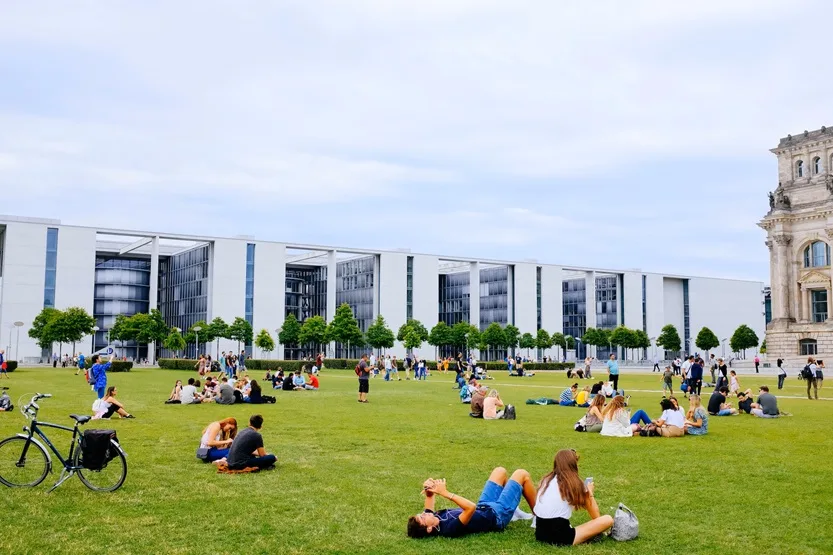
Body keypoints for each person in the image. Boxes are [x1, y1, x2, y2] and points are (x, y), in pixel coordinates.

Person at [406, 466, 536, 539]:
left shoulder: (434, 518)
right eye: (423, 517)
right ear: (429, 529)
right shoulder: (449, 529)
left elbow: (429, 498)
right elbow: (470, 508)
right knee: (522, 474)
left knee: (500, 471)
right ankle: (539, 516)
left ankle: (514, 511)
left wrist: (429, 489)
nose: (425, 513)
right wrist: (445, 493)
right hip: (497, 515)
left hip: (485, 506)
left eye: (421, 513)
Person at [534, 449, 614, 546]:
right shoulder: (574, 483)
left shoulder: (546, 480)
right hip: (561, 537)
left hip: (540, 533)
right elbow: (596, 516)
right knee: (608, 519)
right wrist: (589, 493)